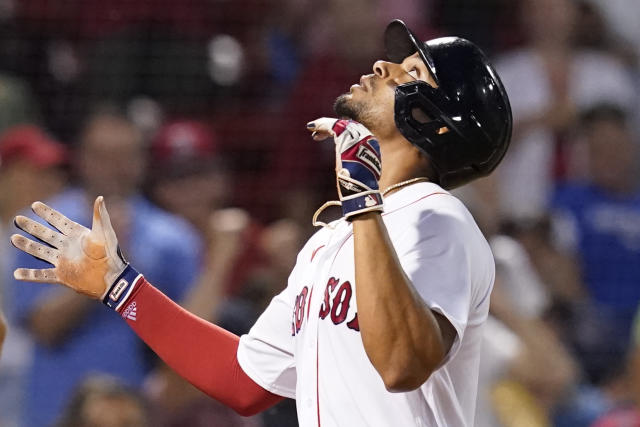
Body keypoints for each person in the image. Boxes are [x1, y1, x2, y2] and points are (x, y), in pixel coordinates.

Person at [10, 19, 512, 426]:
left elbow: (403, 364)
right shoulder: (334, 239)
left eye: (409, 75)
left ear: (435, 124)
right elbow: (244, 382)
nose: (382, 65)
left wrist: (362, 199)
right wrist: (120, 287)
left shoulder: (438, 218)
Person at [9, 111, 202, 427]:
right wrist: (104, 270)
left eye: (125, 155)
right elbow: (44, 328)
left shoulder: (174, 239)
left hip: (134, 412)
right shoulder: (39, 228)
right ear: (82, 159)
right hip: (52, 412)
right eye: (103, 156)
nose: (115, 167)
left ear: (142, 161)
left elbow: (192, 340)